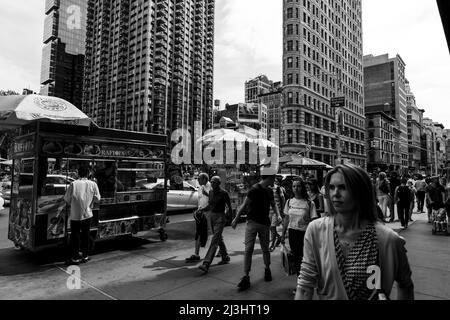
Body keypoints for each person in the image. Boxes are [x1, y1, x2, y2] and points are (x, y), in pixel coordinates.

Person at [295, 164, 414, 300]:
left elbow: (406, 285)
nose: (335, 193)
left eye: (343, 187)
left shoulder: (389, 240)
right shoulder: (316, 230)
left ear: (360, 192)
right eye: (332, 187)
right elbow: (305, 286)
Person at [231, 173, 281, 291]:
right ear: (269, 178)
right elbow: (244, 205)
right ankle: (246, 276)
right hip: (252, 223)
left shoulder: (269, 191)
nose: (275, 180)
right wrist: (236, 219)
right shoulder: (254, 189)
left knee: (265, 249)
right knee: (248, 249)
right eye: (274, 178)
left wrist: (278, 215)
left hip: (264, 224)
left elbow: (274, 205)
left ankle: (267, 269)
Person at [281, 179, 318, 294]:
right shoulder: (289, 202)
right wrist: (282, 234)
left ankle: (308, 283)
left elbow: (313, 221)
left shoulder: (309, 203)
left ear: (302, 188)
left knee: (305, 259)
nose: (296, 188)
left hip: (305, 234)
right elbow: (286, 219)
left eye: (298, 186)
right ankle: (299, 285)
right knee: (297, 259)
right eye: (294, 186)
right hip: (293, 233)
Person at [64, 166, 101, 265]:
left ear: (78, 173)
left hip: (75, 214)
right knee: (85, 234)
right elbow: (98, 198)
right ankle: (85, 256)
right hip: (88, 214)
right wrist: (91, 202)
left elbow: (67, 199)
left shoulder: (73, 184)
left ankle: (75, 258)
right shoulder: (93, 184)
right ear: (88, 173)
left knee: (75, 235)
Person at [198, 176, 232, 274]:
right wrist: (203, 209)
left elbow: (229, 206)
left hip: (220, 218)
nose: (212, 184)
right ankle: (225, 257)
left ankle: (206, 263)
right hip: (212, 216)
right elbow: (210, 205)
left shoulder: (224, 193)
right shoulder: (211, 192)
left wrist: (231, 218)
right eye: (212, 182)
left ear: (219, 183)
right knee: (218, 238)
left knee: (214, 241)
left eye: (215, 182)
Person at [186, 173, 211, 263]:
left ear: (204, 179)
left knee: (213, 233)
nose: (198, 180)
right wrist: (198, 210)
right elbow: (200, 200)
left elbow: (212, 199)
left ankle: (221, 250)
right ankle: (196, 254)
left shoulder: (210, 186)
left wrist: (206, 193)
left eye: (199, 179)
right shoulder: (200, 187)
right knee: (199, 233)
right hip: (201, 213)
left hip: (209, 213)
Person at [269, 175, 286, 252]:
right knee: (270, 227)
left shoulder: (278, 188)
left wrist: (282, 211)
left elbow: (282, 199)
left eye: (276, 181)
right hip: (268, 211)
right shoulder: (268, 187)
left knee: (273, 227)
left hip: (276, 211)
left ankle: (272, 245)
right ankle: (278, 237)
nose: (275, 182)